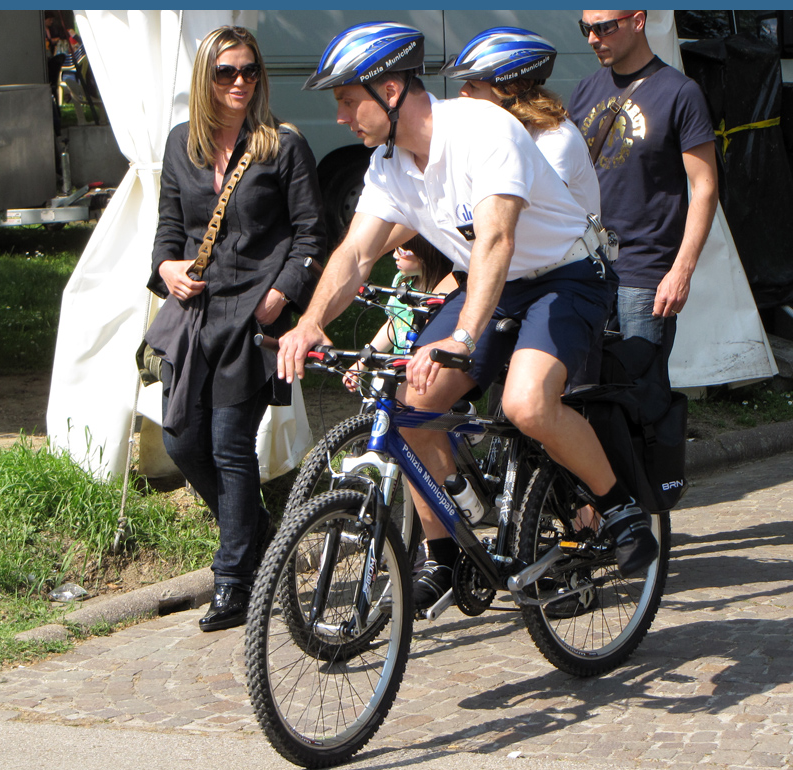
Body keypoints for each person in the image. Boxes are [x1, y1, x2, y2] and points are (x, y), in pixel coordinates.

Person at [278, 21, 659, 611]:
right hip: (496, 288)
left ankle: (618, 507)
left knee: (526, 404)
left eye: (349, 100)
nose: (341, 117)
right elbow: (355, 253)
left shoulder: (483, 128)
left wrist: (461, 335)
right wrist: (308, 322)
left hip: (566, 275)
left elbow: (496, 240)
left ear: (392, 88)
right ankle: (445, 555)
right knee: (408, 404)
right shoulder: (389, 164)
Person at [147, 26, 326, 631]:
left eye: (249, 70)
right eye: (227, 72)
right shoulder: (182, 146)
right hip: (196, 318)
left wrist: (282, 296)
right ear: (205, 78)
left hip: (254, 314)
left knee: (228, 444)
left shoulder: (283, 146)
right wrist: (168, 268)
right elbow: (168, 233)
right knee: (180, 442)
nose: (241, 82)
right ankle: (258, 538)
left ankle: (233, 580)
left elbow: (311, 235)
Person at [569, 10, 718, 366]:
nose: (593, 39)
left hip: (645, 272)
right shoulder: (585, 90)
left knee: (640, 391)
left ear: (637, 21)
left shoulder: (680, 92)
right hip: (588, 267)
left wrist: (681, 271)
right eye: (587, 29)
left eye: (604, 27)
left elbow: (706, 188)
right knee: (586, 388)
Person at [441, 27, 600, 218]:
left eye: (473, 86)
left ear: (508, 91)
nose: (462, 92)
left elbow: (535, 216)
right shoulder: (500, 132)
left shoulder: (554, 139)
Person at [342, 234, 453, 391]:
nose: (395, 255)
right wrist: (363, 362)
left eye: (401, 249)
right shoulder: (401, 280)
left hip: (427, 376)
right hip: (399, 368)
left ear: (424, 252)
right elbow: (393, 325)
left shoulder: (445, 293)